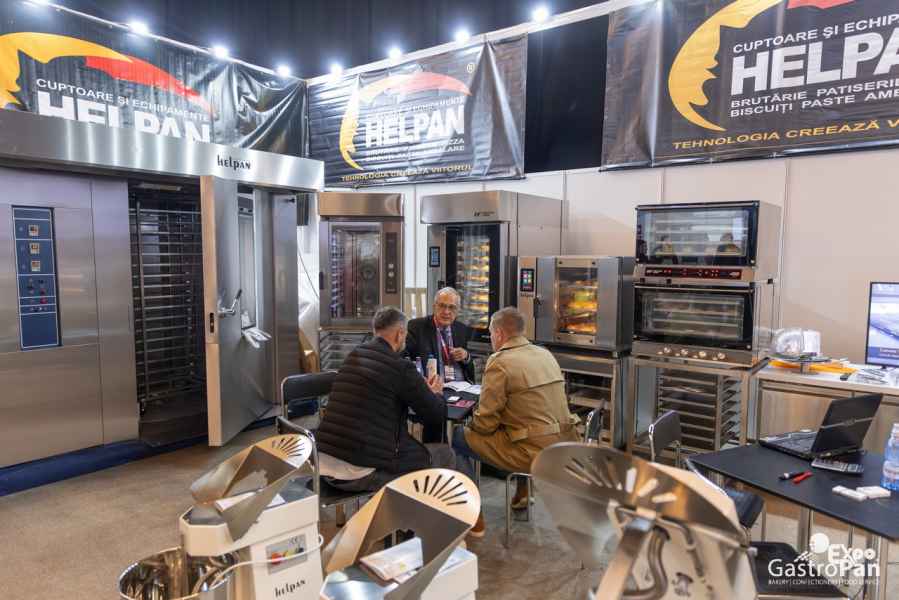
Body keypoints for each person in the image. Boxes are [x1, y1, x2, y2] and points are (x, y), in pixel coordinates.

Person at [452, 306, 579, 537]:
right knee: (519, 427)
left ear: (499, 333)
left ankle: (473, 513)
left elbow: (486, 423)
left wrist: (471, 423)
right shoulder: (544, 354)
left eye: (491, 333)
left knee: (458, 439)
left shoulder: (500, 362)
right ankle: (523, 491)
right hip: (564, 448)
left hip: (531, 453)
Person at [315, 306, 456, 492]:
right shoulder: (400, 366)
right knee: (445, 454)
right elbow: (435, 414)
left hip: (322, 464)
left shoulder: (353, 356)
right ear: (400, 334)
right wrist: (436, 393)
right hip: (361, 471)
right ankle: (420, 511)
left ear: (376, 330)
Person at [406, 287, 475, 443]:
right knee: (435, 412)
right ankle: (436, 451)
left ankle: (456, 447)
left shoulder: (461, 329)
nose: (446, 312)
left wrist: (466, 356)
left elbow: (469, 365)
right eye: (442, 306)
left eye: (451, 307)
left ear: (457, 311)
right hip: (430, 387)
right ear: (434, 306)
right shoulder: (417, 327)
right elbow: (404, 357)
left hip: (458, 387)